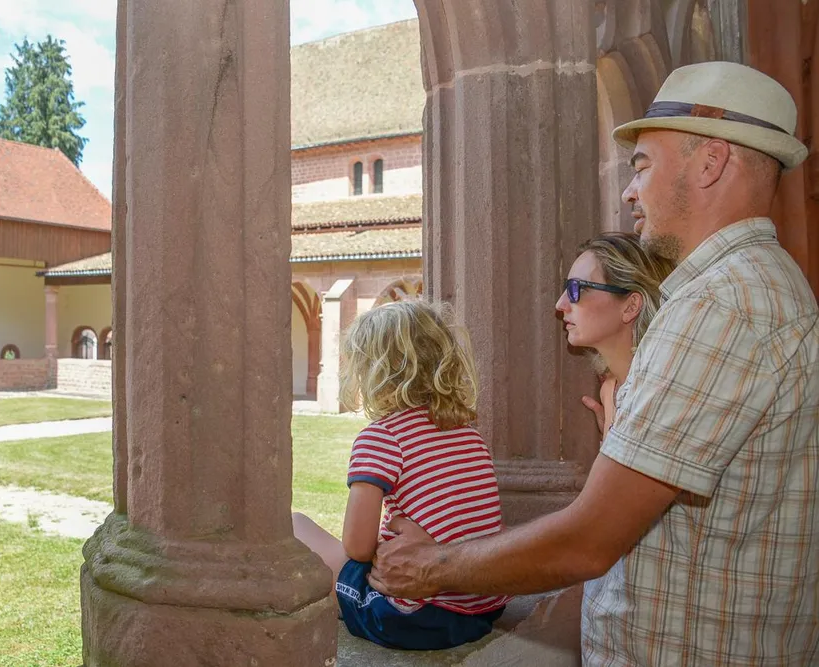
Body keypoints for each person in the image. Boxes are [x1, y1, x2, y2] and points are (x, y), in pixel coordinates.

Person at [368, 61, 819, 666]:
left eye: (643, 166)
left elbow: (591, 539)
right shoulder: (752, 286)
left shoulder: (724, 304)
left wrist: (433, 567)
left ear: (710, 162)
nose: (630, 191)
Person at [292, 299, 510, 650]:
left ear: (374, 371)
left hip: (416, 616)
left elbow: (357, 548)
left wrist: (380, 548)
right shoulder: (467, 432)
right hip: (482, 608)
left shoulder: (382, 437)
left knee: (294, 526)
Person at [556, 232, 675, 430]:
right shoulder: (610, 392)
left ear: (631, 306)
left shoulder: (663, 392)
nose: (560, 304)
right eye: (566, 287)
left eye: (576, 288)